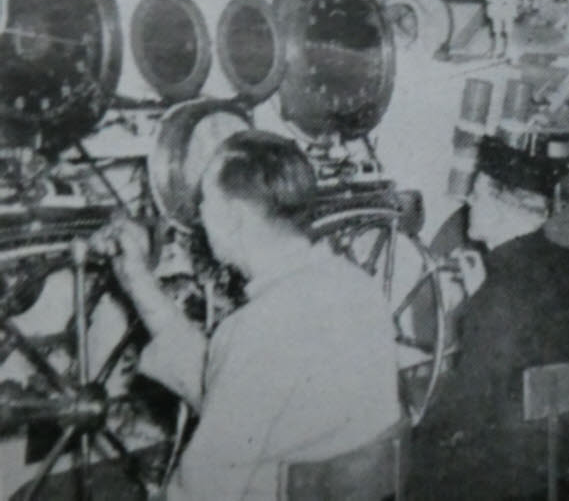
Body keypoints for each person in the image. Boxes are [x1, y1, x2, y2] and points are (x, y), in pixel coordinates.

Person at [89, 130, 401, 500]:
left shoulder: (257, 330)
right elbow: (231, 388)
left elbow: (202, 491)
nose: (200, 217)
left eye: (204, 201)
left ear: (234, 218)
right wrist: (137, 280)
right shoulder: (356, 287)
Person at [410, 135, 569, 500]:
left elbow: (468, 405)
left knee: (397, 461)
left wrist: (414, 419)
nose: (468, 201)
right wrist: (479, 295)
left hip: (501, 476)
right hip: (552, 459)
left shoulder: (498, 293)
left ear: (501, 207)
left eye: (478, 194)